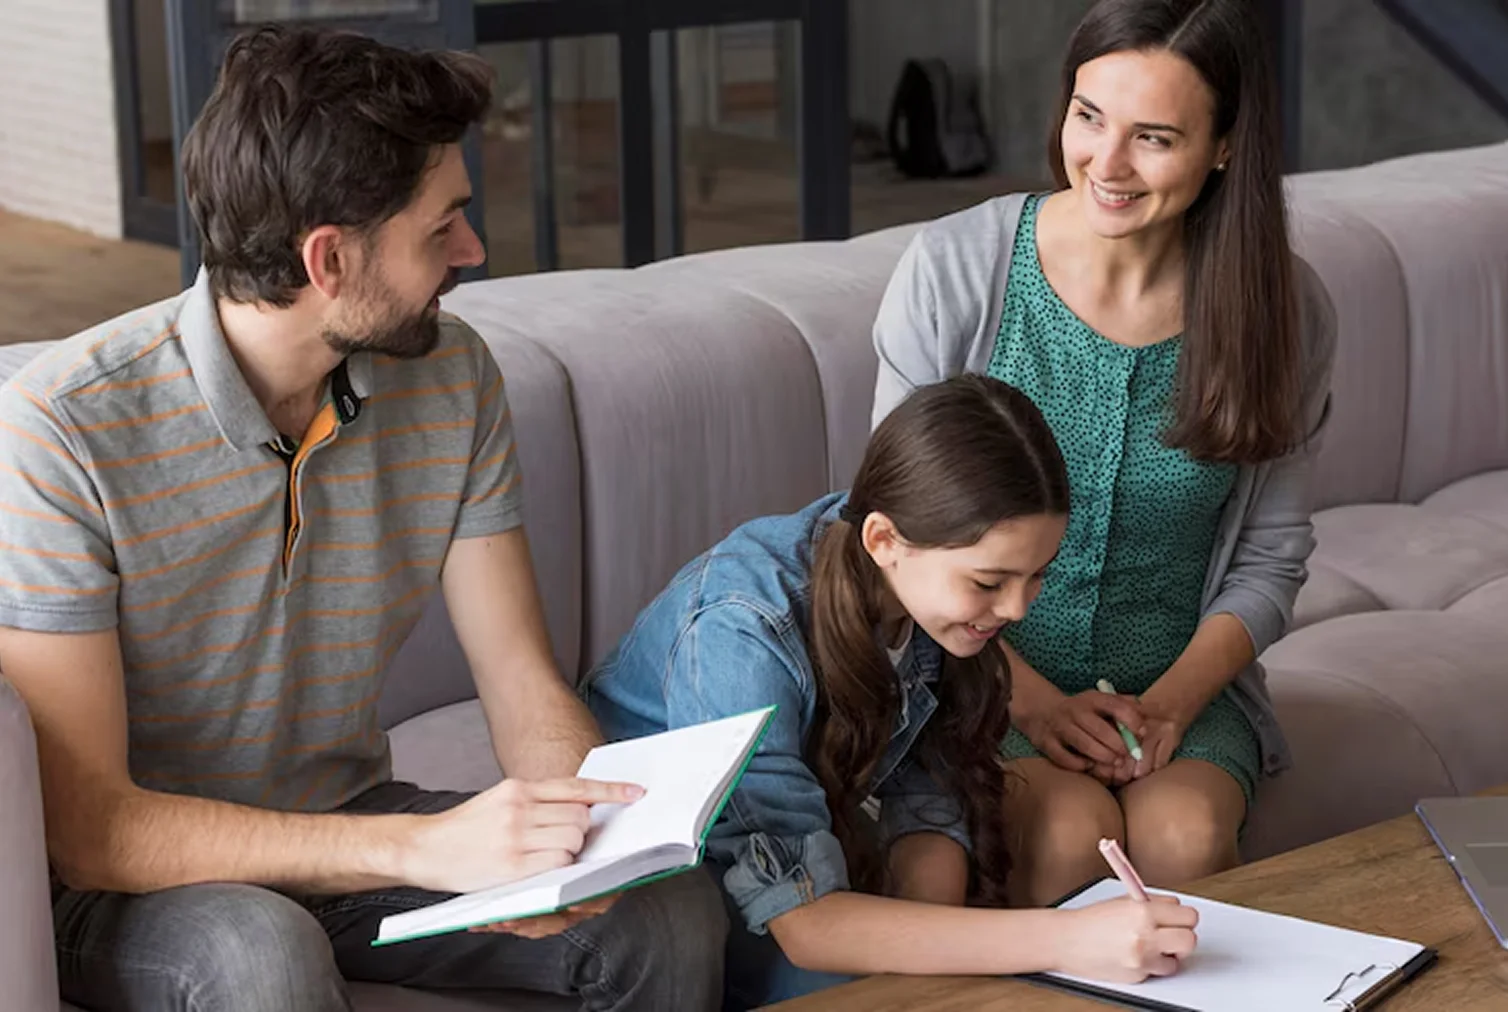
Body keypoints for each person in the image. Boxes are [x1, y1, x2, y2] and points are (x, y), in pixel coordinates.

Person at [0, 25, 724, 1012]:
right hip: (132, 887)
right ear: (328, 258)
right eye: (441, 228)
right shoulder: (62, 431)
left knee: (664, 906)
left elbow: (519, 677)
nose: (471, 250)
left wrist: (574, 841)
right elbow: (94, 830)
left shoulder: (451, 376)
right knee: (260, 949)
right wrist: (425, 846)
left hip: (346, 822)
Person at [870, 0, 1337, 906]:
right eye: (1089, 117)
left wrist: (1168, 708)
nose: (1106, 164)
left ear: (1225, 147)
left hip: (1180, 693)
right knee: (1069, 829)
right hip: (973, 675)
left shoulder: (1285, 310)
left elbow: (1271, 558)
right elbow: (896, 540)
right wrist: (1036, 704)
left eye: (1154, 138)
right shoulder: (956, 272)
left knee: (1186, 833)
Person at [583, 375, 1201, 1009]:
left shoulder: (916, 590)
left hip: (809, 848)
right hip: (664, 881)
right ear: (883, 539)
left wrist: (936, 961)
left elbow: (930, 803)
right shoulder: (742, 633)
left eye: (1036, 575)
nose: (1016, 608)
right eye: (989, 581)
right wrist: (1066, 940)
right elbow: (804, 920)